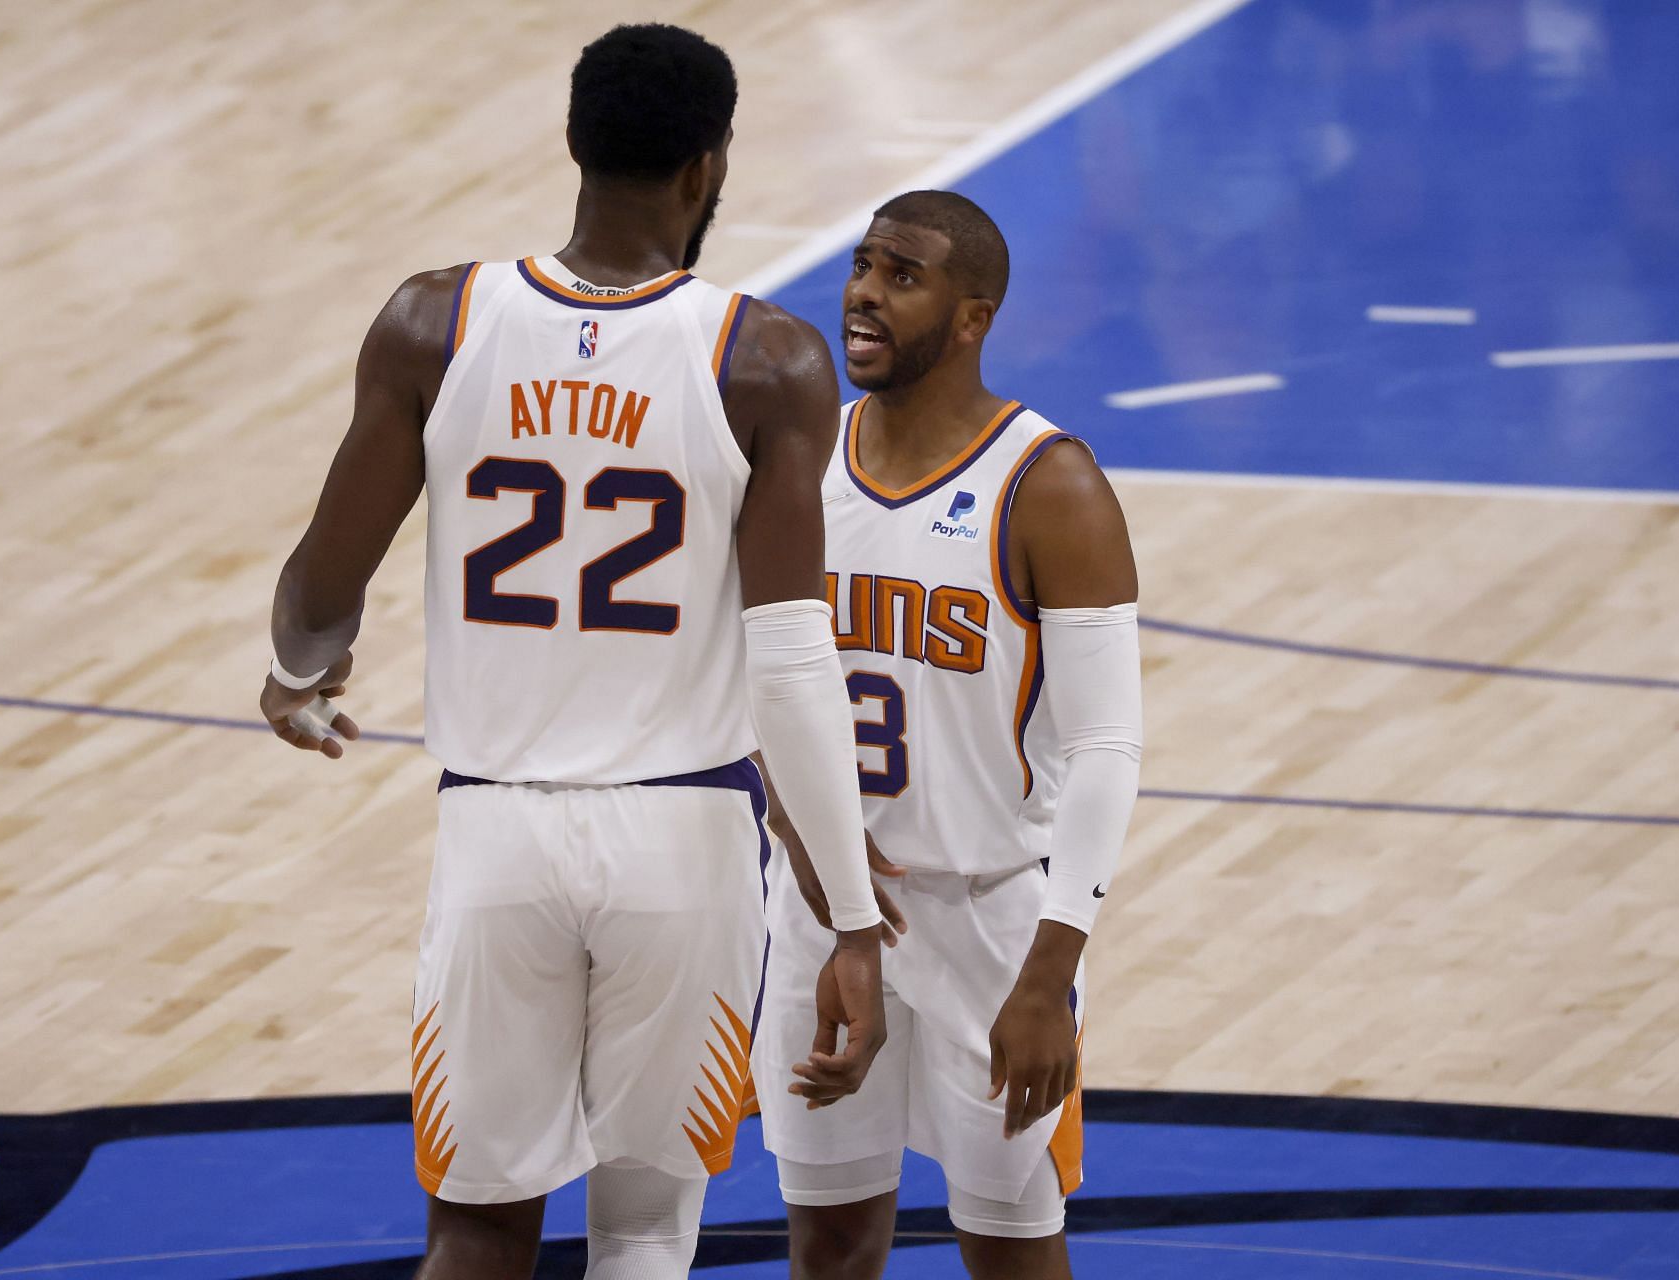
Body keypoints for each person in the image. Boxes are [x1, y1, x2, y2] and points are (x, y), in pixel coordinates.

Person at [256, 25, 888, 1280]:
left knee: (481, 1228)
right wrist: (853, 918)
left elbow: (327, 572)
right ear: (710, 165)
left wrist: (297, 669)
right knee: (648, 1229)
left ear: (571, 142)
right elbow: (792, 661)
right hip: (687, 837)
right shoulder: (769, 360)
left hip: (497, 835)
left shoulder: (436, 320)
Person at [750, 190, 1144, 1280]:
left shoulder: (1051, 484)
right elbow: (752, 690)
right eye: (863, 265)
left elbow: (1110, 748)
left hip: (991, 920)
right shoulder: (793, 463)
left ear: (972, 318)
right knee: (827, 1238)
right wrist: (820, 871)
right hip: (828, 908)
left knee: (1010, 1249)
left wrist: (1047, 974)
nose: (864, 293)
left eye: (903, 275)